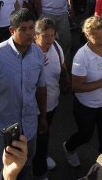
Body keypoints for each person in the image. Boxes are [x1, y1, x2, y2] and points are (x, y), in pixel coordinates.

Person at [0, 9, 47, 179]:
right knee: (3, 170)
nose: (29, 33)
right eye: (23, 29)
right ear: (12, 31)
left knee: (27, 163)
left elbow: (41, 87)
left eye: (31, 27)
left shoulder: (37, 53)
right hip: (2, 129)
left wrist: (42, 116)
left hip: (29, 125)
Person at [63, 16, 102, 167]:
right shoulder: (81, 56)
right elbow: (76, 87)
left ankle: (101, 168)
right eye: (96, 37)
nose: (101, 40)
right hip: (86, 106)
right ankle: (68, 148)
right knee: (85, 135)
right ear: (87, 35)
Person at [32, 18, 67, 179]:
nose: (50, 40)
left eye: (53, 35)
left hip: (52, 102)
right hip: (34, 108)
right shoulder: (30, 53)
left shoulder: (56, 47)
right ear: (35, 36)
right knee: (38, 137)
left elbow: (63, 66)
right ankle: (39, 172)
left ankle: (42, 157)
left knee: (44, 135)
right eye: (46, 36)